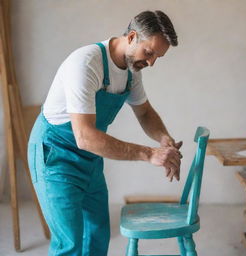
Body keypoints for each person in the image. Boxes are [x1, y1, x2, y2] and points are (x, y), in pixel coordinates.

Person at [27, 10, 182, 256]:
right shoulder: (87, 63)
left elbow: (144, 113)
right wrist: (149, 154)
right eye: (149, 53)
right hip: (55, 156)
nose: (151, 63)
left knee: (98, 234)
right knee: (70, 243)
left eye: (157, 58)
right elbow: (85, 136)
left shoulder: (133, 70)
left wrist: (164, 139)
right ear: (132, 37)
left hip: (89, 158)